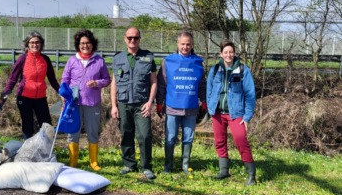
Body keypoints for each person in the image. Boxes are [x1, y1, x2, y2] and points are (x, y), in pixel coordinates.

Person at [206, 39, 257, 186]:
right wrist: (210, 107)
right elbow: (209, 90)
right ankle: (224, 170)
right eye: (226, 52)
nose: (229, 55)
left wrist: (247, 117)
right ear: (221, 54)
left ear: (234, 53)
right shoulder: (215, 70)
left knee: (241, 140)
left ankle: (251, 175)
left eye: (231, 52)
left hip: (236, 113)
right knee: (220, 141)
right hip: (217, 112)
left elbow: (250, 94)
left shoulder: (242, 70)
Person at [156, 31, 206, 174]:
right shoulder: (168, 61)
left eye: (188, 44)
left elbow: (202, 84)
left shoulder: (198, 62)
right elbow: (161, 83)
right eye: (183, 44)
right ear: (178, 44)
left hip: (191, 108)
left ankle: (185, 165)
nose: (185, 47)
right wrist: (159, 102)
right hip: (172, 107)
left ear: (192, 45)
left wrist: (204, 100)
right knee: (170, 137)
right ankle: (168, 165)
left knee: (188, 138)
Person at [110, 27, 157, 180]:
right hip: (123, 103)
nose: (132, 40)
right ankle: (129, 164)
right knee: (126, 134)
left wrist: (150, 102)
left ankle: (146, 166)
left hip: (142, 103)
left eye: (135, 38)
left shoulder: (148, 57)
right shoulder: (117, 59)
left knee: (144, 135)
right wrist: (114, 105)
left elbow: (154, 82)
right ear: (125, 39)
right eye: (130, 38)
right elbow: (114, 84)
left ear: (139, 39)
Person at [61, 29, 111, 171]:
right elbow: (65, 79)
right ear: (78, 45)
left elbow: (107, 79)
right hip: (74, 103)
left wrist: (97, 83)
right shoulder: (72, 60)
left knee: (93, 131)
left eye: (88, 43)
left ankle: (93, 162)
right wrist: (64, 95)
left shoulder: (99, 61)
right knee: (73, 132)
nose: (85, 46)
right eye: (82, 43)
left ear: (92, 44)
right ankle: (73, 162)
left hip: (92, 103)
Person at [0, 31, 60, 139]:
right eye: (32, 42)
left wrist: (62, 93)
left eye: (37, 42)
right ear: (27, 44)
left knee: (46, 125)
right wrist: (4, 95)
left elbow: (52, 80)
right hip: (24, 97)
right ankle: (26, 151)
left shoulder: (45, 59)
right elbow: (12, 79)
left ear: (41, 44)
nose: (35, 45)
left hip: (40, 97)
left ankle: (45, 151)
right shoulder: (22, 59)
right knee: (28, 126)